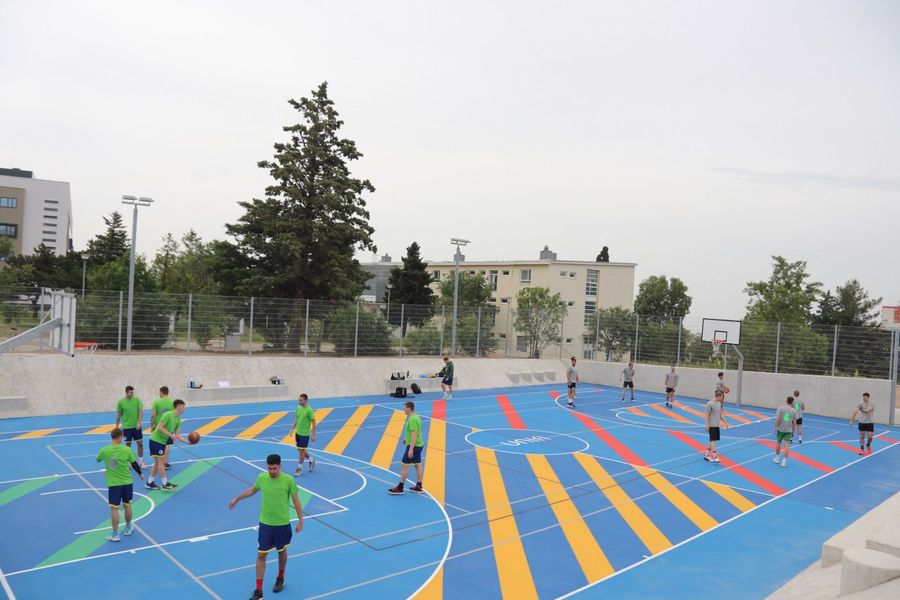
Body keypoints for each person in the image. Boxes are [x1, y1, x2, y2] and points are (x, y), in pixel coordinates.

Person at [229, 454, 304, 599]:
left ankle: (280, 576)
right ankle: (259, 591)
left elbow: (296, 501)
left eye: (274, 468)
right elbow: (252, 490)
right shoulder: (262, 478)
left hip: (282, 525)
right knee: (261, 555)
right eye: (269, 468)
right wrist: (237, 498)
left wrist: (301, 521)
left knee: (281, 551)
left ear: (280, 466)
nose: (272, 471)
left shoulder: (288, 480)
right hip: (265, 525)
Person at [96, 427, 143, 542]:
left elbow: (98, 459)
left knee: (115, 509)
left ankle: (115, 534)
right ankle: (128, 527)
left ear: (112, 437)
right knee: (127, 505)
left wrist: (110, 460)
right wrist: (140, 474)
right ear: (120, 437)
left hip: (114, 485)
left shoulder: (104, 450)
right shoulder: (127, 450)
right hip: (127, 483)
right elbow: (134, 464)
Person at [146, 399, 185, 491]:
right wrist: (170, 435)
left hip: (162, 442)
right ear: (178, 406)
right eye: (183, 406)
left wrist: (188, 442)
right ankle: (165, 484)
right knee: (161, 461)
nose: (184, 408)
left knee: (157, 462)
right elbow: (159, 427)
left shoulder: (178, 419)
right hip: (155, 440)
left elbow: (178, 435)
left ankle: (149, 483)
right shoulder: (168, 414)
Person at [388, 401, 425, 495]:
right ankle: (419, 486)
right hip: (419, 444)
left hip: (414, 446)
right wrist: (406, 439)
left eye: (404, 408)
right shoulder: (416, 417)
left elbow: (414, 433)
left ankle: (400, 488)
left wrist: (411, 449)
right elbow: (415, 432)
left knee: (405, 465)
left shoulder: (412, 419)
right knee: (417, 465)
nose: (403, 410)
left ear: (409, 408)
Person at [115, 385, 145, 469]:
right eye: (131, 392)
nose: (132, 393)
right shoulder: (121, 402)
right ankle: (129, 462)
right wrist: (117, 426)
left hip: (136, 427)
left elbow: (141, 411)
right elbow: (119, 415)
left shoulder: (137, 400)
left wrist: (139, 422)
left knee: (140, 443)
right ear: (126, 392)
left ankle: (141, 461)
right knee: (128, 445)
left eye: (133, 392)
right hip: (127, 427)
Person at [290, 393, 317, 476]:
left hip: (304, 434)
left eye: (300, 400)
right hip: (298, 432)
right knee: (300, 449)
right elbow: (296, 419)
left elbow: (314, 423)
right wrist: (292, 429)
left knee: (301, 452)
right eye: (299, 400)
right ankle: (312, 461)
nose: (299, 401)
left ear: (305, 400)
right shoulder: (298, 408)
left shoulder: (309, 410)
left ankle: (299, 469)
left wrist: (313, 434)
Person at [151, 386, 175, 470]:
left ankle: (159, 463)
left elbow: (153, 415)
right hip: (169, 428)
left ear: (161, 392)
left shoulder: (156, 402)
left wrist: (152, 426)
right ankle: (165, 463)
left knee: (159, 444)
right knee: (167, 445)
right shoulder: (172, 402)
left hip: (159, 428)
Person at [704, 390, 730, 463]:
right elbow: (707, 414)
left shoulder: (719, 403)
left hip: (717, 425)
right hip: (711, 425)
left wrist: (725, 422)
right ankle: (715, 456)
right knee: (713, 441)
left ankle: (706, 455)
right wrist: (707, 425)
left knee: (712, 440)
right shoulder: (710, 403)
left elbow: (720, 414)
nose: (722, 399)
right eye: (722, 397)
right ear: (718, 396)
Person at [773, 396, 797, 468]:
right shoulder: (794, 411)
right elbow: (794, 423)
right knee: (787, 445)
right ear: (792, 402)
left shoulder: (780, 408)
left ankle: (777, 458)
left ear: (786, 401)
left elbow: (777, 419)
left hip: (780, 429)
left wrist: (775, 428)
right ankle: (784, 461)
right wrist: (793, 431)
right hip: (788, 430)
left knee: (778, 442)